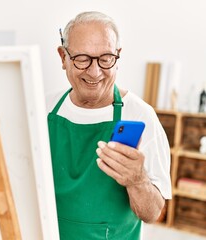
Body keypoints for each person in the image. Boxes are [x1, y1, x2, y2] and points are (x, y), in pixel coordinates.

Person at [46, 11, 171, 240]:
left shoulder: (141, 116)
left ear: (118, 56)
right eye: (82, 59)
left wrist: (137, 180)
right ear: (63, 57)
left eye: (105, 59)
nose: (95, 72)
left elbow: (152, 213)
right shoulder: (44, 109)